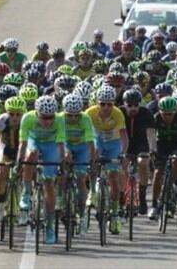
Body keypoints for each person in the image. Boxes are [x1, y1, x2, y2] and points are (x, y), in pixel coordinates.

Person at [16, 95, 65, 244]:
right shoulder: (27, 118)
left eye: (50, 118)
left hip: (51, 145)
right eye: (44, 118)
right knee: (31, 154)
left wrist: (61, 163)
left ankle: (50, 226)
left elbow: (60, 145)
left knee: (49, 183)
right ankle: (26, 191)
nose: (48, 121)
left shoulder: (59, 120)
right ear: (37, 114)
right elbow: (23, 143)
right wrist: (19, 162)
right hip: (34, 141)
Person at [85, 85, 128, 235]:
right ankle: (92, 190)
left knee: (114, 178)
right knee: (94, 156)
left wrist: (123, 153)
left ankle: (115, 213)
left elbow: (123, 136)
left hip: (113, 143)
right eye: (102, 103)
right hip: (96, 141)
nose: (105, 107)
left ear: (113, 104)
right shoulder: (89, 113)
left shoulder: (118, 114)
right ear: (97, 103)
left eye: (109, 104)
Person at [148, 96, 177, 220]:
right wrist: (152, 150)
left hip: (175, 145)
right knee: (158, 172)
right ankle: (154, 205)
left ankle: (173, 184)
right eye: (165, 114)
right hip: (160, 145)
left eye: (170, 114)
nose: (168, 117)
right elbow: (150, 136)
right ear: (160, 111)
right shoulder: (155, 119)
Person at [61, 93, 96, 232]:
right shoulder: (59, 119)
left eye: (76, 115)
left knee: (81, 179)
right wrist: (64, 152)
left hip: (81, 147)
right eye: (70, 115)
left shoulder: (85, 118)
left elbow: (90, 142)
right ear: (64, 111)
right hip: (66, 145)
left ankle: (81, 214)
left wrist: (92, 162)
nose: (74, 118)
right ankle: (61, 202)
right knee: (61, 176)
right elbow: (57, 140)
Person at [119, 88, 155, 217]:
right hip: (125, 143)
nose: (133, 108)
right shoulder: (119, 112)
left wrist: (151, 150)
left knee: (143, 163)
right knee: (122, 166)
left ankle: (142, 195)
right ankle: (121, 194)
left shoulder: (146, 113)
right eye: (129, 105)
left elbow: (151, 133)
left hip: (141, 143)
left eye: (136, 105)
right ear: (124, 104)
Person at [0, 96, 26, 225]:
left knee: (29, 170)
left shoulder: (26, 121)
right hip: (5, 148)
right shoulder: (0, 121)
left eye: (18, 114)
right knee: (1, 171)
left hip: (22, 147)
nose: (15, 117)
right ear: (6, 112)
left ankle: (26, 206)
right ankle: (0, 202)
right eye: (11, 114)